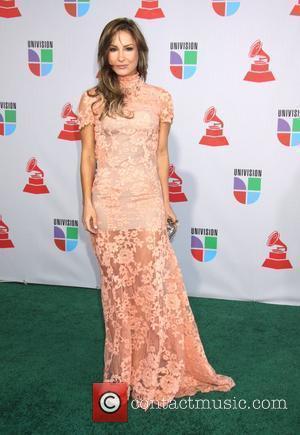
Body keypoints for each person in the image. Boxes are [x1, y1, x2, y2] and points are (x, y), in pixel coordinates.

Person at [77, 17, 235, 411]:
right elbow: (88, 155)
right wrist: (87, 202)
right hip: (109, 203)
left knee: (152, 291)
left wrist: (165, 201)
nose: (121, 56)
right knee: (117, 297)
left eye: (128, 48)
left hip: (147, 203)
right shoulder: (92, 98)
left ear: (140, 52)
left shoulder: (160, 98)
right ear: (104, 53)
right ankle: (119, 380)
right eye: (113, 48)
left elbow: (161, 154)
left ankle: (156, 372)